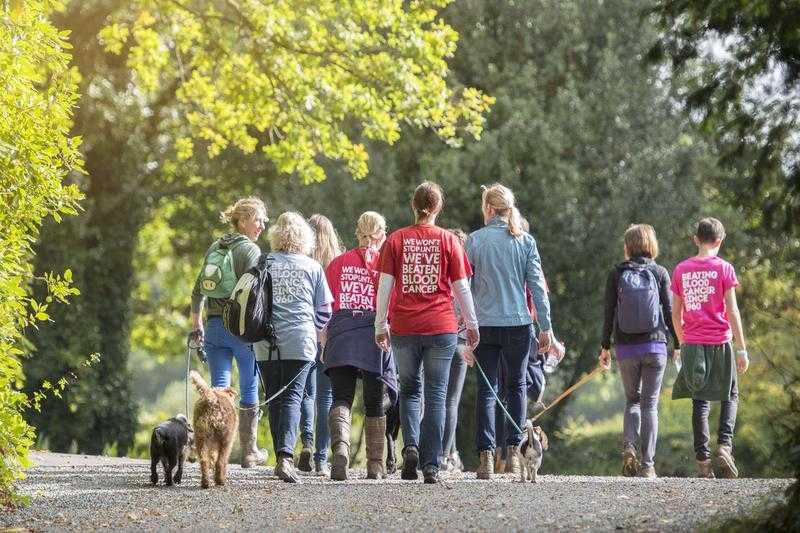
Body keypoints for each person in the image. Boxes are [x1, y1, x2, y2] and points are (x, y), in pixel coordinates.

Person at [375, 181, 479, 484]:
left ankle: (410, 448)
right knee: (436, 396)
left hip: (405, 327)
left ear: (413, 205)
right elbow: (462, 288)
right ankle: (431, 464)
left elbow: (385, 286)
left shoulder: (395, 240)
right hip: (441, 328)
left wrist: (380, 324)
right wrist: (472, 325)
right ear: (438, 207)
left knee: (409, 391)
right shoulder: (449, 241)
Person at [466, 183, 553, 480]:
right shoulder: (525, 241)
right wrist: (546, 328)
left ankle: (486, 457)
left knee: (486, 390)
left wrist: (463, 326)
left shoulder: (474, 241)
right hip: (518, 324)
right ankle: (515, 455)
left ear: (488, 209)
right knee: (516, 387)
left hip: (484, 325)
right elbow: (538, 288)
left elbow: (463, 288)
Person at [254, 212, 333, 483]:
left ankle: (281, 456)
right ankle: (285, 458)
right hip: (300, 342)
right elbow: (325, 309)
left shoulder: (262, 262)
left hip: (264, 341)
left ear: (276, 234)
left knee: (275, 398)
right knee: (291, 398)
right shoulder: (312, 267)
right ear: (304, 238)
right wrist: (313, 328)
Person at [189, 197, 268, 469]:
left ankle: (211, 450)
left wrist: (195, 323)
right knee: (247, 386)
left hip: (213, 327)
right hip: (241, 330)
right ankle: (249, 452)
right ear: (243, 220)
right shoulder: (250, 251)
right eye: (258, 220)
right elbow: (255, 293)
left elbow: (198, 289)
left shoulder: (216, 246)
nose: (262, 226)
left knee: (218, 387)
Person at [669, 218, 749, 479]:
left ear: (696, 239)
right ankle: (725, 446)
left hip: (693, 342)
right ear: (720, 240)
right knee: (730, 395)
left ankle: (703, 462)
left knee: (700, 402)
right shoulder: (725, 269)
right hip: (721, 341)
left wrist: (683, 341)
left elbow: (675, 313)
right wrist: (741, 348)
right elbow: (733, 310)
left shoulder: (681, 269)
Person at [598, 224, 679, 478]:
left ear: (628, 246)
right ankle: (648, 465)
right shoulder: (660, 272)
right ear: (651, 245)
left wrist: (604, 346)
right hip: (655, 346)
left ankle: (630, 448)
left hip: (625, 347)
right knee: (650, 404)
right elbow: (669, 312)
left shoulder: (616, 273)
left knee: (632, 400)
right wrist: (678, 343)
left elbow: (609, 311)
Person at [325, 211, 398, 480]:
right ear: (383, 235)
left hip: (342, 333)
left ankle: (341, 452)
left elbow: (327, 304)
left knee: (341, 397)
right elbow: (393, 304)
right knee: (375, 401)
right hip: (375, 335)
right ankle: (375, 465)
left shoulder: (337, 263)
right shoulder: (387, 264)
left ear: (358, 233)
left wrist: (323, 337)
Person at [297, 214, 342, 476]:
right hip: (331, 334)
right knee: (325, 396)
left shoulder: (302, 262)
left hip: (303, 332)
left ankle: (307, 442)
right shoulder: (338, 262)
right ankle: (322, 458)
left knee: (306, 394)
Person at [440, 228, 470, 472]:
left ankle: (439, 452)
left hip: (437, 339)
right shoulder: (465, 275)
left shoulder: (437, 271)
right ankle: (445, 455)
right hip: (459, 342)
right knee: (451, 402)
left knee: (434, 399)